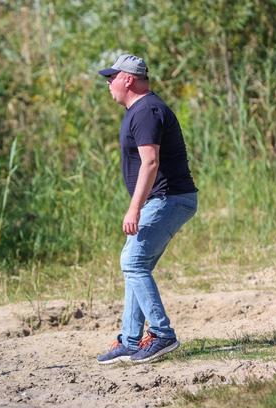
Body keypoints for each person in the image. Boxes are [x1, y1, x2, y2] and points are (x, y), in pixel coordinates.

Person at [96, 54, 198, 364]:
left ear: (127, 78)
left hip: (168, 198)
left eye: (111, 78)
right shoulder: (140, 110)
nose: (109, 84)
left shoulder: (147, 111)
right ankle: (130, 340)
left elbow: (150, 162)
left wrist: (134, 208)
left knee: (132, 260)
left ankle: (162, 334)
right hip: (166, 198)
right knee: (135, 265)